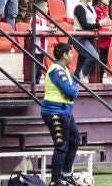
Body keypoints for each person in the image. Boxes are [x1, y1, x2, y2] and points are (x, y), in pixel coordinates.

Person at [39, 40, 82, 186]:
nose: (72, 55)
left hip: (65, 110)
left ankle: (66, 175)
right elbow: (71, 91)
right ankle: (55, 181)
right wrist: (73, 91)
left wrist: (72, 91)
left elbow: (72, 91)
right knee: (61, 145)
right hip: (55, 111)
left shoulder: (63, 70)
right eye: (70, 53)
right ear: (64, 55)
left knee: (75, 140)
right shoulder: (57, 70)